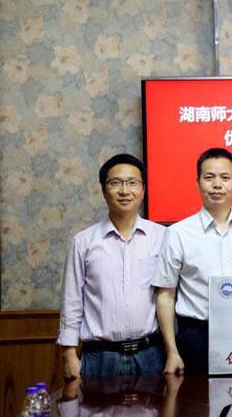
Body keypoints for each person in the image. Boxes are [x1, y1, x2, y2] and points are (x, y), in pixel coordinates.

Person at [151, 148, 232, 375]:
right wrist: (172, 352)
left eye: (225, 177)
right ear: (198, 182)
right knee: (195, 397)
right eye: (209, 177)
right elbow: (165, 295)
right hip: (195, 337)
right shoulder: (178, 233)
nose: (217, 185)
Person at [57, 154, 166, 378]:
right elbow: (71, 300)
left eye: (132, 183)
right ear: (104, 190)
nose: (124, 191)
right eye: (115, 183)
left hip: (150, 354)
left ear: (143, 189)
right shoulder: (83, 242)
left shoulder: (162, 238)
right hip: (99, 357)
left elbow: (168, 296)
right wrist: (69, 355)